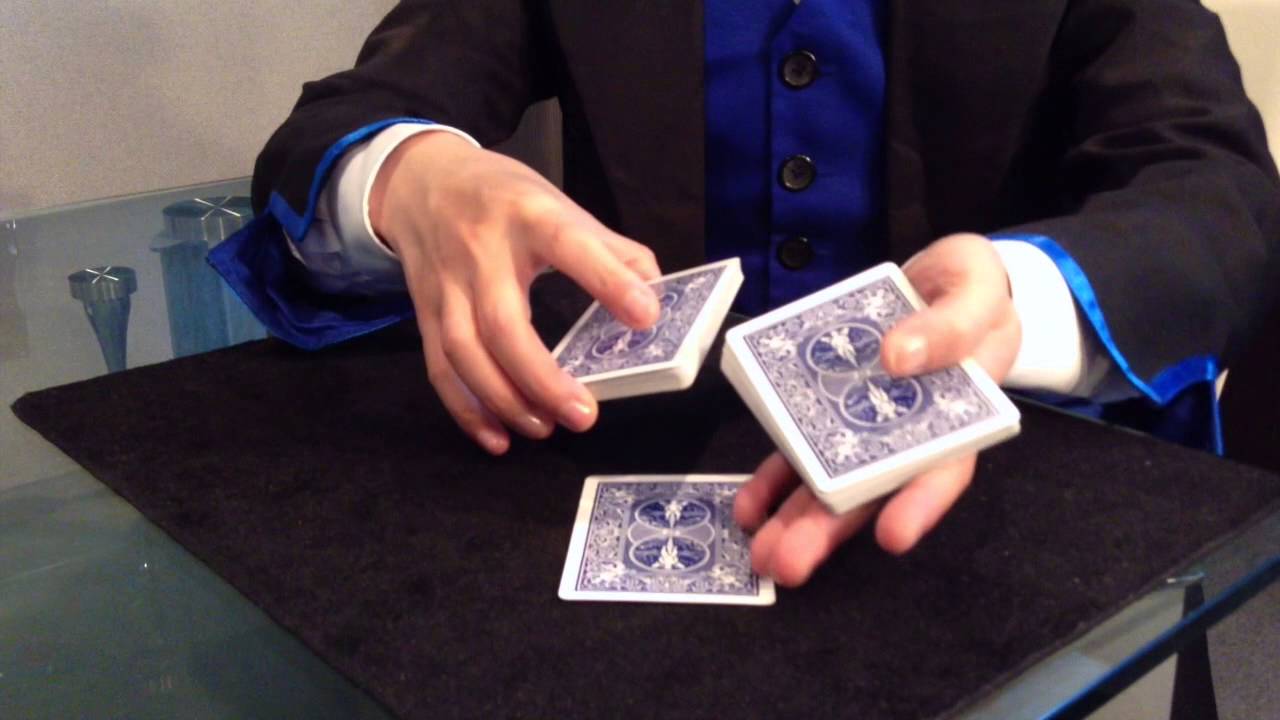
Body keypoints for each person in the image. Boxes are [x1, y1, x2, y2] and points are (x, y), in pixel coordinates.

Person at [210, 0, 1280, 587]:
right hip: (614, 495)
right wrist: (410, 175)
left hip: (1008, 520)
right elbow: (348, 118)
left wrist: (1019, 298)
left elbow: (1215, 188)